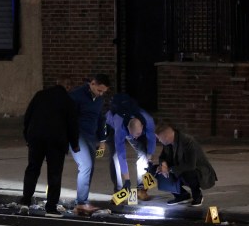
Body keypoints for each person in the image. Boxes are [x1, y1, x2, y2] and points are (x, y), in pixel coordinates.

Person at [21, 76, 80, 217]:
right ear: (69, 87)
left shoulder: (40, 95)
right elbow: (73, 125)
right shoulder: (69, 101)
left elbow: (27, 116)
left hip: (36, 138)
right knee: (54, 173)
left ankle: (25, 201)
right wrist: (75, 144)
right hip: (56, 141)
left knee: (33, 169)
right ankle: (51, 207)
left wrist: (27, 136)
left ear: (56, 83)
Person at [69, 74, 110, 215]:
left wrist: (102, 140)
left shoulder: (99, 100)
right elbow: (68, 118)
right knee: (85, 165)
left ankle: (82, 202)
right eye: (99, 90)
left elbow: (100, 119)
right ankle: (81, 203)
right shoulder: (76, 96)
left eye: (103, 91)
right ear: (92, 84)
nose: (101, 94)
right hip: (78, 135)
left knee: (89, 168)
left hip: (91, 137)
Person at [105, 93, 156, 200]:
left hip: (132, 125)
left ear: (142, 126)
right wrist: (127, 180)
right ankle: (120, 190)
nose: (135, 138)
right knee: (115, 158)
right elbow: (121, 155)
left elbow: (152, 140)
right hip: (112, 127)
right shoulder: (119, 127)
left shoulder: (148, 121)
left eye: (137, 135)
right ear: (128, 129)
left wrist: (150, 159)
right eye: (133, 135)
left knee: (143, 153)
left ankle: (141, 189)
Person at [154, 121, 217, 206]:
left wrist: (169, 169)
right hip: (178, 167)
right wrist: (164, 165)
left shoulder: (187, 141)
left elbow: (190, 165)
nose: (159, 140)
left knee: (186, 173)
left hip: (198, 171)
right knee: (154, 169)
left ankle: (197, 195)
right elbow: (162, 157)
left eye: (159, 138)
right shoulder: (167, 143)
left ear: (166, 137)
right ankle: (181, 195)